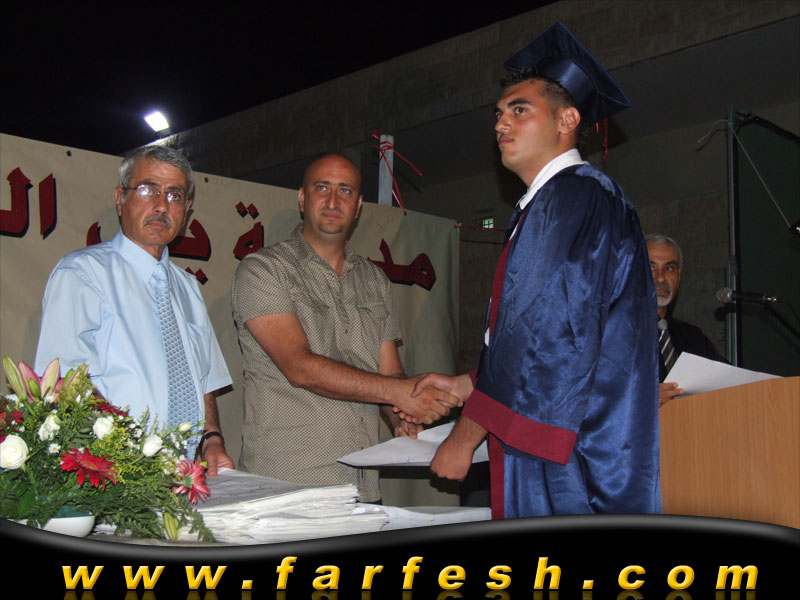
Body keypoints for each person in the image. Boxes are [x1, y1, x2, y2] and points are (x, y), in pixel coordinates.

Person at [413, 22, 661, 518]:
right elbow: (565, 332)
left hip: (572, 459)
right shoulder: (570, 199)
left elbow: (542, 335)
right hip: (578, 439)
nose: (501, 124)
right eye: (498, 113)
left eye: (519, 109)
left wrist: (464, 437)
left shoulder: (571, 196)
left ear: (568, 119)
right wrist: (469, 384)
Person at [230, 152, 458, 502]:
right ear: (303, 198)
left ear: (358, 206)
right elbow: (300, 368)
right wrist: (398, 393)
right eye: (322, 188)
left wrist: (400, 415)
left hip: (363, 487)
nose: (333, 201)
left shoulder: (375, 280)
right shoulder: (263, 270)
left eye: (345, 191)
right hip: (288, 485)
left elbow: (389, 373)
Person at [34, 146, 233, 474]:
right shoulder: (82, 274)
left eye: (174, 195)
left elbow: (205, 378)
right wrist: (126, 455)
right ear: (120, 198)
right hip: (114, 475)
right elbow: (63, 382)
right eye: (147, 190)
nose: (161, 205)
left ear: (187, 210)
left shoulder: (188, 287)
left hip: (185, 474)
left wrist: (212, 440)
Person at [646, 233, 727, 406]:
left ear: (679, 276)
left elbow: (729, 384)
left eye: (669, 268)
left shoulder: (693, 338)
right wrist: (642, 401)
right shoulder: (610, 334)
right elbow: (590, 397)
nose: (660, 278)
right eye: (651, 268)